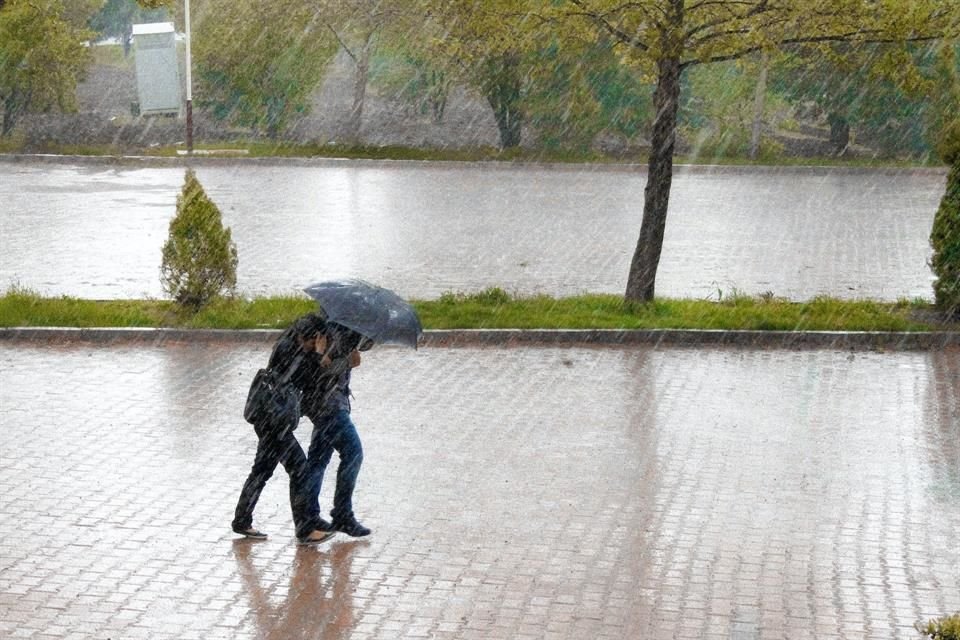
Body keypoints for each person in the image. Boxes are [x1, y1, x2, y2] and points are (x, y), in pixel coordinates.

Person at [232, 313, 336, 545]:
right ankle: (305, 529)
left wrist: (316, 357)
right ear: (311, 337)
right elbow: (310, 380)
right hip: (274, 422)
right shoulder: (294, 351)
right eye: (319, 339)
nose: (320, 343)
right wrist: (319, 357)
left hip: (267, 418)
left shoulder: (289, 345)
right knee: (299, 469)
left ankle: (242, 520)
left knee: (262, 469)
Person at [301, 322, 373, 538]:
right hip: (329, 405)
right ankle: (341, 514)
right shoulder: (333, 329)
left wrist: (356, 348)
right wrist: (347, 362)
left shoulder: (345, 326)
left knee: (318, 460)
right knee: (353, 453)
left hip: (325, 403)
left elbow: (365, 345)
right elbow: (321, 370)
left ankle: (308, 517)